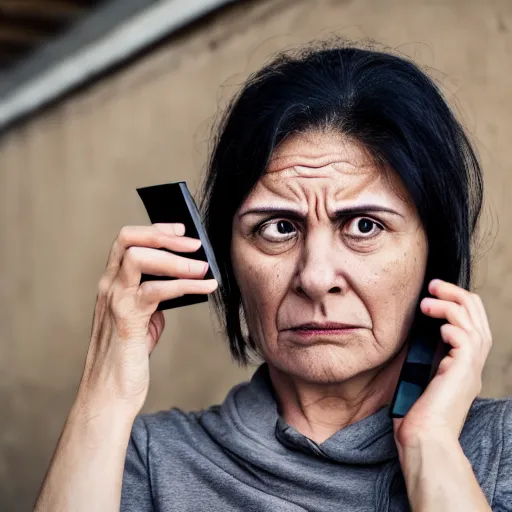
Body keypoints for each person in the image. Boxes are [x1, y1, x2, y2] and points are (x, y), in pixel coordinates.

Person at [35, 43, 511, 512]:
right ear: (224, 260)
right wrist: (104, 396)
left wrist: (431, 448)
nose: (317, 277)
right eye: (279, 228)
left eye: (365, 225)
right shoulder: (146, 459)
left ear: (435, 251)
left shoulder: (499, 449)